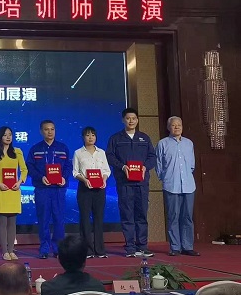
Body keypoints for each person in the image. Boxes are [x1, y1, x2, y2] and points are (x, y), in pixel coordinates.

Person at [106, 107, 157, 258]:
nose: (131, 121)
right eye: (128, 118)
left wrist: (145, 167)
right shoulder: (116, 138)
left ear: (137, 120)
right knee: (127, 214)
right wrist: (122, 167)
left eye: (133, 118)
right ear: (123, 120)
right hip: (124, 183)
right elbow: (110, 156)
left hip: (141, 183)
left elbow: (152, 157)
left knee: (142, 215)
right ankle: (130, 247)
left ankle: (142, 246)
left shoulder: (144, 138)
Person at [25, 120, 72, 259]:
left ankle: (58, 248)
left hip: (58, 189)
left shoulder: (63, 148)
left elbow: (68, 166)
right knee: (43, 219)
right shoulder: (35, 149)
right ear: (41, 131)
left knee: (59, 219)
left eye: (52, 129)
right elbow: (30, 167)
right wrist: (41, 178)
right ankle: (44, 248)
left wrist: (64, 177)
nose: (50, 132)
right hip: (42, 189)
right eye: (46, 129)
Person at [156, 116, 200, 257]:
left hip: (188, 185)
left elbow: (192, 165)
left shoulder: (189, 143)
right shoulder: (162, 143)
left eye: (179, 125)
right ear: (168, 127)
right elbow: (158, 165)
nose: (176, 127)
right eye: (173, 125)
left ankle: (187, 246)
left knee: (187, 217)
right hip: (171, 185)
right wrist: (165, 178)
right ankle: (175, 247)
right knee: (173, 216)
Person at [0, 126, 28, 261]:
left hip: (14, 190)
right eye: (5, 135)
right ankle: (4, 251)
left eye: (10, 134)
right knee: (2, 222)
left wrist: (20, 182)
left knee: (12, 223)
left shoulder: (17, 152)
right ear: (0, 137)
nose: (8, 137)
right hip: (1, 190)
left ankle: (11, 250)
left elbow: (24, 170)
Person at [72, 126, 111, 258]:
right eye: (88, 135)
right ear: (83, 137)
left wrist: (104, 179)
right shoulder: (78, 153)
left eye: (93, 135)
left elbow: (106, 170)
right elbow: (75, 172)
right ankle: (87, 250)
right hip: (85, 189)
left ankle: (100, 250)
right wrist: (84, 180)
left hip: (100, 189)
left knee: (99, 219)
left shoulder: (101, 152)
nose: (90, 137)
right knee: (84, 219)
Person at [40, 235, 106, 295]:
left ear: (59, 259)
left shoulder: (49, 289)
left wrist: (54, 282)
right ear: (84, 260)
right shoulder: (98, 287)